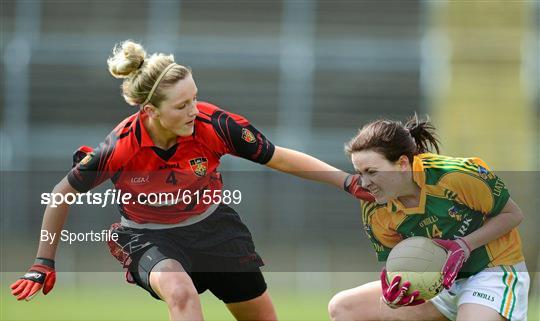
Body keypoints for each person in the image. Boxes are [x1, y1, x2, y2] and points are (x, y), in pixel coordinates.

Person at [9, 40, 373, 321]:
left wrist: (344, 181)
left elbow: (278, 156)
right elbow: (62, 193)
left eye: (194, 98)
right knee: (181, 292)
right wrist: (44, 261)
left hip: (214, 228)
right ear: (151, 111)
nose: (194, 110)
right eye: (182, 105)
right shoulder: (120, 147)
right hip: (146, 234)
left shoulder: (215, 126)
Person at [328, 115, 529, 321]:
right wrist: (395, 291)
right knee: (343, 307)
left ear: (403, 163)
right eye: (360, 173)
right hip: (435, 284)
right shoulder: (375, 208)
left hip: (491, 272)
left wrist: (464, 245)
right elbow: (400, 263)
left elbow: (513, 214)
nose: (364, 183)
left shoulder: (453, 175)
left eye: (371, 172)